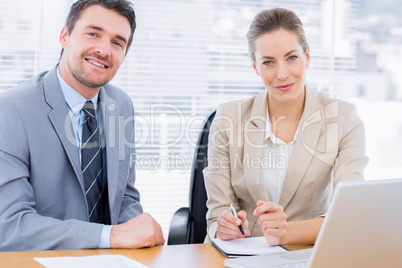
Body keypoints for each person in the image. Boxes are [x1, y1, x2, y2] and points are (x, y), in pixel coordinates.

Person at [0, 0, 165, 251]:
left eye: (117, 42)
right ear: (64, 35)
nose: (104, 50)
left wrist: (141, 236)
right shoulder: (11, 111)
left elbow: (124, 197)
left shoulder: (121, 104)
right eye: (93, 34)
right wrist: (111, 236)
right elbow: (10, 226)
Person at [203, 8, 368, 246]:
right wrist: (225, 227)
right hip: (240, 256)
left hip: (308, 253)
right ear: (255, 66)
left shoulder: (343, 118)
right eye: (268, 62)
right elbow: (216, 217)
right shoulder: (228, 118)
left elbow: (349, 215)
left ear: (307, 57)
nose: (282, 74)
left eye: (291, 58)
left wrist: (286, 232)